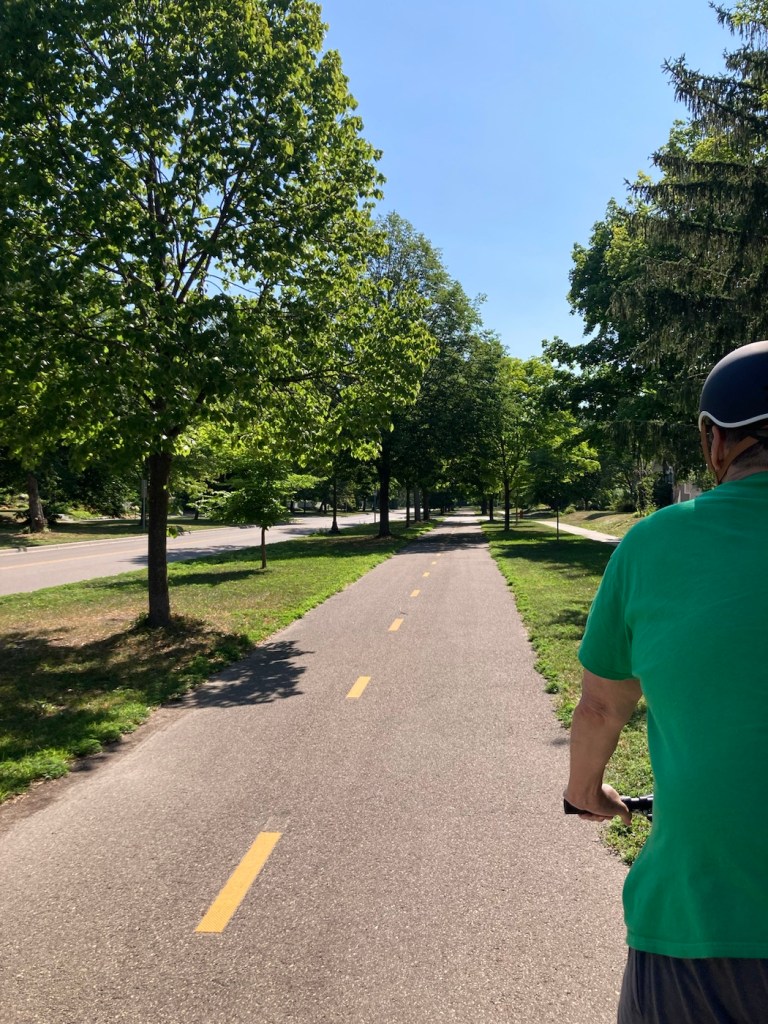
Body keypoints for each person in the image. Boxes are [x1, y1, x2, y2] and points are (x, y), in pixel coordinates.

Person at [564, 340, 768, 1024]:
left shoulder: (654, 544)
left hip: (704, 920)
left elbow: (601, 707)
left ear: (714, 441)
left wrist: (585, 792)